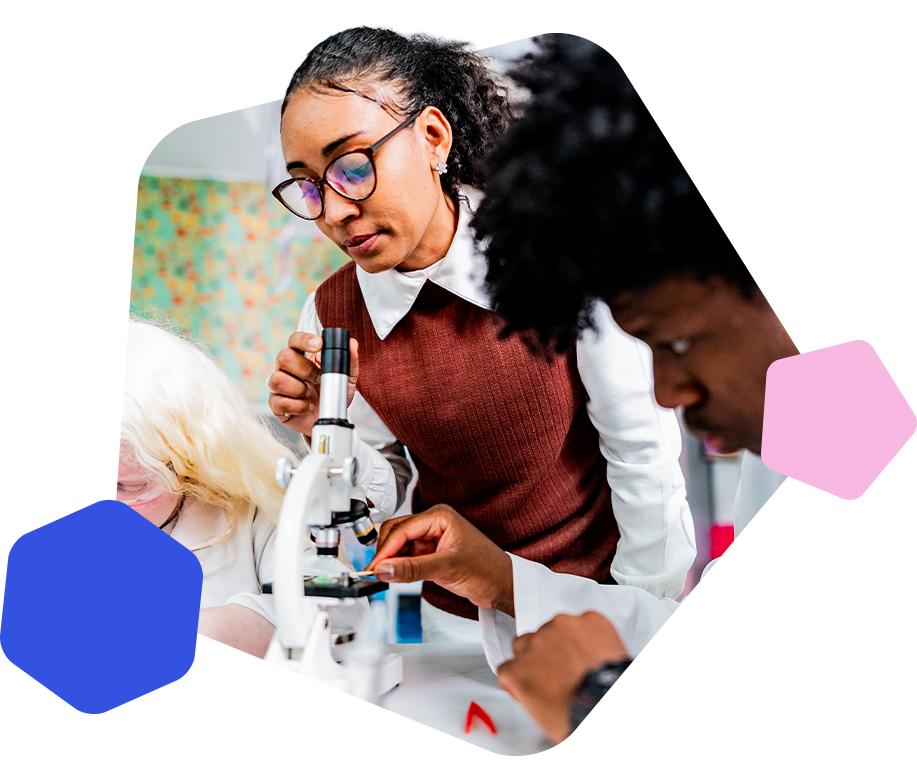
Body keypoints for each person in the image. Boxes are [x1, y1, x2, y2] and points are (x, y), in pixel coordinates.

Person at [367, 23, 821, 755]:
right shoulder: (816, 421)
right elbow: (721, 649)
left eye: (677, 342)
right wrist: (500, 578)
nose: (667, 394)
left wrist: (611, 711)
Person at [266, 26, 695, 643]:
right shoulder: (332, 312)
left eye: (353, 167)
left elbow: (642, 452)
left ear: (433, 139)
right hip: (444, 620)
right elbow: (384, 493)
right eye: (308, 185)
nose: (333, 212)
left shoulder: (556, 253)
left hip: (590, 606)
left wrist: (639, 621)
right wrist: (320, 428)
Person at [113, 314, 363, 674]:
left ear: (187, 464)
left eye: (129, 486)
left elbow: (340, 611)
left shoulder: (255, 514)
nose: (101, 507)